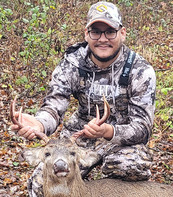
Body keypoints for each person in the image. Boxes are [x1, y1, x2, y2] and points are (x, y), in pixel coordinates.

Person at [11, 1, 156, 196]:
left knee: (130, 165)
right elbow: (54, 104)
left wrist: (108, 131)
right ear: (86, 33)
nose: (103, 39)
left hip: (119, 141)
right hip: (77, 141)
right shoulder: (71, 63)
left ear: (122, 33)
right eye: (96, 31)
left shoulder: (140, 70)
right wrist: (39, 123)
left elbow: (142, 128)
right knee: (39, 185)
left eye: (110, 31)